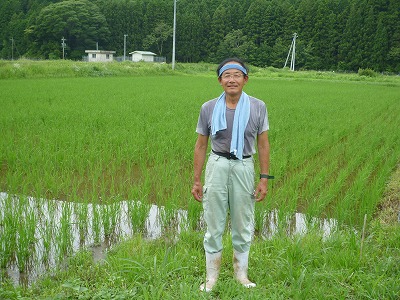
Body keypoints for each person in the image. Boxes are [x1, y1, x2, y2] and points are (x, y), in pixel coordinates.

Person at [191, 57, 271, 292]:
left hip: (244, 166)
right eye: (227, 75)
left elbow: (263, 144)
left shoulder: (258, 106)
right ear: (220, 80)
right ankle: (212, 276)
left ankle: (241, 274)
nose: (232, 79)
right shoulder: (208, 108)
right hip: (217, 165)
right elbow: (200, 145)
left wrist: (264, 178)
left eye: (237, 75)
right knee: (213, 222)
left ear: (245, 79)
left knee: (242, 222)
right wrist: (197, 180)